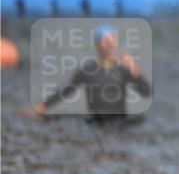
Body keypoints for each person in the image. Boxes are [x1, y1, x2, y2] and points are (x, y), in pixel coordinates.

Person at [22, 25, 151, 121]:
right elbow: (67, 90)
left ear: (115, 43)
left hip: (119, 123)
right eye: (105, 40)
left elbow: (146, 93)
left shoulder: (124, 69)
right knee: (54, 120)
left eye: (111, 40)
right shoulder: (88, 70)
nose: (109, 44)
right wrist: (42, 106)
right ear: (97, 44)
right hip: (96, 122)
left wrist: (135, 71)